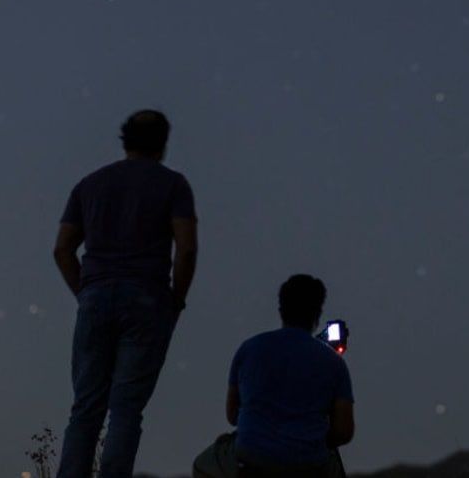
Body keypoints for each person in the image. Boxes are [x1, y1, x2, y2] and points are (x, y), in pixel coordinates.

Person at [52, 109, 198, 478]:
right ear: (163, 143)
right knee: (126, 409)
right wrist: (176, 300)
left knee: (85, 407)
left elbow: (62, 249)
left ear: (125, 139)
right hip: (146, 298)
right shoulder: (173, 185)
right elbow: (187, 248)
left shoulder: (90, 184)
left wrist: (85, 291)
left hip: (96, 296)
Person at [208, 274, 354, 478]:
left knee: (204, 464)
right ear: (317, 313)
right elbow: (344, 432)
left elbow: (232, 416)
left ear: (281, 310)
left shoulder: (249, 349)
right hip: (308, 463)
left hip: (252, 457)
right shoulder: (332, 362)